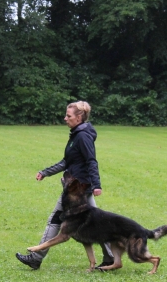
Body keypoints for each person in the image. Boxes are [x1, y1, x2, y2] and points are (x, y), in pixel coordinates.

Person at [16, 101, 114, 270]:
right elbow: (67, 162)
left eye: (68, 116)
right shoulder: (76, 134)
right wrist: (46, 172)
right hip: (76, 186)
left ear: (79, 117)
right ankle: (110, 258)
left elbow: (91, 161)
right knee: (96, 222)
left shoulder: (82, 136)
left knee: (55, 218)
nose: (65, 118)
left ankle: (36, 258)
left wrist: (97, 185)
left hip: (78, 189)